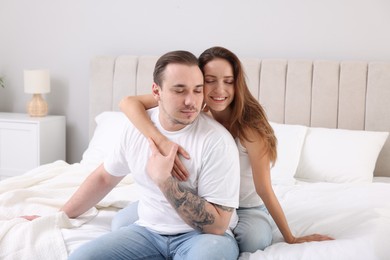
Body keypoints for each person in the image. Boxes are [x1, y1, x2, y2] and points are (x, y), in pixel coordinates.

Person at [115, 46, 334, 253]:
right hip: (207, 201)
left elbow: (264, 189)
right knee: (120, 223)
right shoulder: (193, 108)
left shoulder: (250, 129)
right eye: (210, 81)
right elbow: (128, 102)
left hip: (245, 206)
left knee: (251, 240)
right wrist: (160, 140)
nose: (220, 90)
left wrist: (290, 237)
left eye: (228, 82)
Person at [57, 50, 240, 259]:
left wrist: (164, 181)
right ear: (156, 91)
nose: (191, 101)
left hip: (203, 238)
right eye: (179, 91)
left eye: (198, 91)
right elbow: (104, 177)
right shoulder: (136, 128)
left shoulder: (216, 141)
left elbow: (217, 225)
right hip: (148, 232)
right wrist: (59, 217)